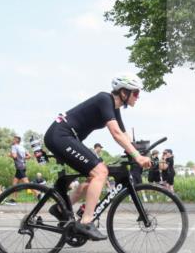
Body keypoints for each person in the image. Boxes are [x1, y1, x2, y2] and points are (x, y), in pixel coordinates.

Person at [42, 73, 151, 241]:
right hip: (60, 136)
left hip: (66, 138)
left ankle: (60, 208)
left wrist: (139, 153)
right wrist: (137, 156)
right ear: (124, 92)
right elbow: (115, 133)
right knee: (101, 172)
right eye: (136, 93)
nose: (138, 97)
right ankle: (86, 222)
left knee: (92, 179)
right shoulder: (104, 99)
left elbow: (123, 134)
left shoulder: (114, 107)